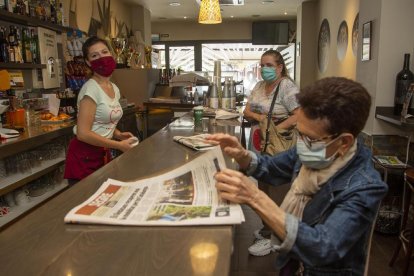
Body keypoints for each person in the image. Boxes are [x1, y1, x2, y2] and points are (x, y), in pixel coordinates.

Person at [207, 77, 388, 275]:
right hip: (293, 262)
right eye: (299, 133)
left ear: (344, 142)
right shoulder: (314, 150)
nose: (301, 143)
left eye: (309, 138)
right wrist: (242, 155)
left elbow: (324, 247)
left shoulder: (364, 186)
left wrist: (255, 198)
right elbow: (273, 167)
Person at [243, 49, 300, 255]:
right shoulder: (259, 86)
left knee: (277, 189)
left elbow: (299, 115)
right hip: (260, 142)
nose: (264, 69)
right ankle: (268, 228)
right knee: (263, 186)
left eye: (269, 65)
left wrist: (276, 128)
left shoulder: (287, 87)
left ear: (279, 67)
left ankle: (277, 238)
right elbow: (247, 111)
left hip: (278, 144)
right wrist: (262, 121)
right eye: (262, 65)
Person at [64, 36, 136, 184]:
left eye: (104, 52)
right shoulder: (91, 88)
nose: (101, 58)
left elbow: (103, 121)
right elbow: (83, 133)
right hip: (84, 157)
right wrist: (119, 145)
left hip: (102, 152)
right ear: (88, 62)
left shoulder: (113, 88)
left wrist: (118, 134)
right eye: (95, 55)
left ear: (111, 54)